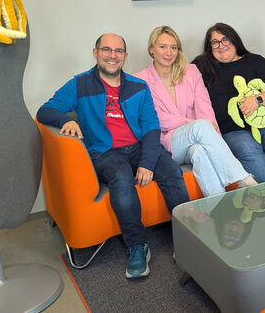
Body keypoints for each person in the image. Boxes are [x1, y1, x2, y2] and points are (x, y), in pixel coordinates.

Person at [36, 33, 190, 278]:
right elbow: (45, 111)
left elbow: (151, 127)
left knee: (172, 171)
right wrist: (66, 120)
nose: (112, 55)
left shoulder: (138, 87)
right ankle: (137, 246)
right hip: (104, 152)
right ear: (95, 53)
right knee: (121, 177)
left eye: (118, 51)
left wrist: (147, 163)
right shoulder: (81, 84)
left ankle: (188, 241)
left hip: (139, 147)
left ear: (125, 57)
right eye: (106, 50)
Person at [135, 26, 257, 197]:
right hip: (167, 143)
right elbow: (155, 119)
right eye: (163, 47)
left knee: (199, 151)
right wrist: (195, 125)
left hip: (196, 139)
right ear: (151, 49)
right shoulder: (140, 80)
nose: (169, 52)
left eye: (174, 47)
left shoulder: (191, 71)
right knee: (200, 127)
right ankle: (242, 178)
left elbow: (205, 108)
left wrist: (210, 133)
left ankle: (219, 205)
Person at [193, 23, 265, 183]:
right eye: (215, 42)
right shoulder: (201, 66)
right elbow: (182, 85)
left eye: (226, 39)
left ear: (234, 40)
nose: (221, 45)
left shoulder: (255, 61)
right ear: (209, 47)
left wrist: (257, 100)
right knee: (253, 158)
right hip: (233, 130)